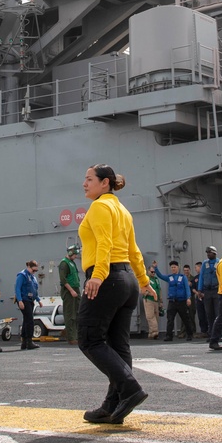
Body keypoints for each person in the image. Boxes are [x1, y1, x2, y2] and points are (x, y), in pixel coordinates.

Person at [77, 165, 156, 425]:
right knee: (119, 346)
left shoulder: (100, 207)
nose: (84, 184)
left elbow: (104, 243)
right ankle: (112, 406)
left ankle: (130, 388)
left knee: (89, 340)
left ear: (105, 183)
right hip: (127, 282)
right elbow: (134, 251)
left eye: (89, 179)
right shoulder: (123, 210)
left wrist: (97, 275)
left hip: (107, 278)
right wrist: (144, 281)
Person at [153, 261, 194, 342]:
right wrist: (155, 268)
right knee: (170, 319)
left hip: (181, 301)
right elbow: (160, 276)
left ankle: (189, 334)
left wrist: (188, 298)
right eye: (172, 267)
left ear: (178, 267)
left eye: (174, 267)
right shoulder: (169, 277)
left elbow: (187, 288)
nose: (173, 269)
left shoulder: (183, 277)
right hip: (172, 301)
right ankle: (169, 336)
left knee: (185, 319)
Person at [15, 260, 42, 350]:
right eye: (33, 270)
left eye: (36, 271)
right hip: (24, 300)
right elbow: (17, 288)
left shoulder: (33, 277)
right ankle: (29, 341)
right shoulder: (22, 275)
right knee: (30, 320)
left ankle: (24, 342)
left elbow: (34, 290)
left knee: (26, 320)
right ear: (29, 267)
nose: (34, 272)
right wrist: (20, 300)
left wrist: (38, 300)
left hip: (31, 300)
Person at [58, 246, 80, 344]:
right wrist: (71, 290)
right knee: (70, 314)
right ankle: (71, 337)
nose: (76, 256)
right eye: (75, 254)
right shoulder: (64, 263)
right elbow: (63, 279)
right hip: (69, 290)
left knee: (77, 312)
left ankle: (76, 335)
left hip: (75, 288)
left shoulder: (72, 263)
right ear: (71, 253)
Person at [198, 247, 221, 341]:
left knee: (218, 313)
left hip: (217, 290)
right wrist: (199, 290)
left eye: (210, 253)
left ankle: (219, 334)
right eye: (207, 253)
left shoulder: (219, 262)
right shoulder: (205, 263)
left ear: (214, 253)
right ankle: (211, 334)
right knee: (209, 313)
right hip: (207, 291)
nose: (208, 254)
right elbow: (201, 276)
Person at [143, 262, 161, 339]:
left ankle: (151, 333)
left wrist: (161, 301)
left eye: (154, 272)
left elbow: (159, 290)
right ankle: (155, 332)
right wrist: (150, 293)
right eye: (152, 272)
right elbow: (142, 290)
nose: (153, 273)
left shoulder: (156, 279)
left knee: (156, 316)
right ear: (148, 271)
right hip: (149, 299)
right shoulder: (146, 279)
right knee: (150, 316)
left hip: (156, 300)